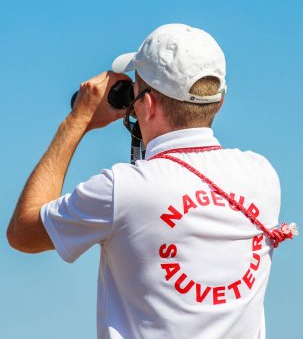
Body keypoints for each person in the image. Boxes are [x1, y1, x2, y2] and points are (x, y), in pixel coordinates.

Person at [7, 24, 297, 339]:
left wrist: (78, 119)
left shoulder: (122, 189)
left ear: (146, 104)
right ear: (220, 102)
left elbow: (23, 232)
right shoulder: (261, 175)